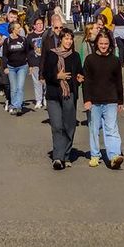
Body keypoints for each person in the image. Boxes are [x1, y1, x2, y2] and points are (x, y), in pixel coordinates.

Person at [83, 30, 124, 169]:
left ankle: (114, 156)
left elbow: (119, 81)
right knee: (94, 129)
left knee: (111, 129)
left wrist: (120, 101)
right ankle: (95, 155)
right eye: (101, 43)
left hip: (111, 99)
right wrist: (87, 99)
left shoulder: (115, 60)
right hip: (94, 100)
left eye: (106, 43)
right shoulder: (89, 60)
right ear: (96, 44)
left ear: (110, 44)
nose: (103, 46)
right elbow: (86, 81)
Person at [43, 28, 84, 170]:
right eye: (66, 39)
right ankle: (58, 158)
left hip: (69, 94)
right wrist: (57, 76)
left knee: (69, 126)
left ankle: (66, 155)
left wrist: (79, 78)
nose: (68, 41)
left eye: (70, 39)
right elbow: (46, 73)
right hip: (54, 95)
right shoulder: (51, 54)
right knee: (57, 126)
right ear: (60, 39)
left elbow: (79, 73)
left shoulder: (75, 56)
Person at [1, 21, 29, 115]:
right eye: (17, 28)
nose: (19, 29)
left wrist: (31, 65)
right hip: (11, 67)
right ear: (12, 29)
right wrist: (5, 67)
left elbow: (28, 53)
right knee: (13, 88)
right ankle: (13, 105)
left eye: (20, 28)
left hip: (22, 66)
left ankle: (18, 106)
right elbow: (4, 55)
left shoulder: (23, 40)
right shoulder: (7, 41)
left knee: (20, 87)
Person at [27, 17, 46, 109]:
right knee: (37, 82)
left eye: (41, 23)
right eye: (37, 24)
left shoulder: (46, 34)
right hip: (35, 61)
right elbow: (28, 51)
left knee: (46, 81)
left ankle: (46, 97)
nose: (40, 25)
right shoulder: (30, 36)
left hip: (46, 61)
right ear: (34, 26)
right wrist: (30, 65)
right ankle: (38, 100)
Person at [39, 14, 64, 79]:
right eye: (56, 27)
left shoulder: (65, 35)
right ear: (52, 24)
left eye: (61, 27)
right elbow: (43, 56)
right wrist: (41, 74)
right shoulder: (47, 35)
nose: (59, 29)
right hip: (51, 69)